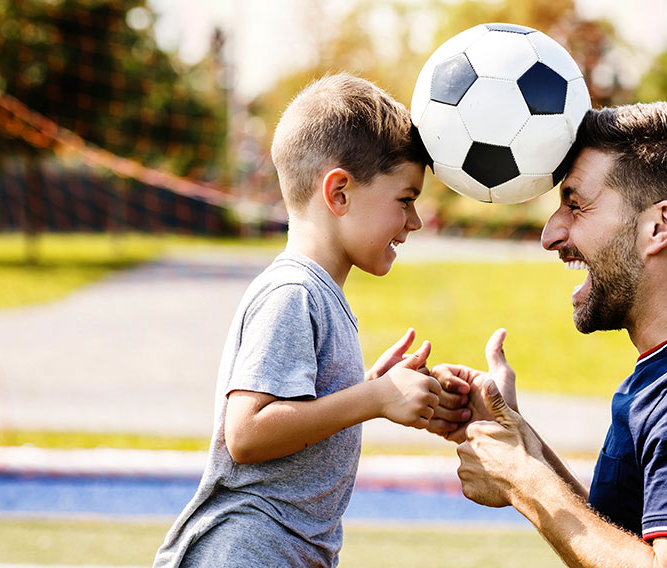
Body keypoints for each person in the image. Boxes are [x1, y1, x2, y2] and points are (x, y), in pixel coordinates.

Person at [439, 102, 667, 568]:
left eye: (576, 204)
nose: (551, 234)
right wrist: (523, 442)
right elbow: (627, 542)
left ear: (659, 226)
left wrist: (522, 482)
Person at [153, 73, 470, 567]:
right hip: (245, 552)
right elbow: (248, 433)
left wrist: (374, 390)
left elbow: (300, 415)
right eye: (405, 201)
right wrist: (373, 398)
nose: (415, 222)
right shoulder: (293, 293)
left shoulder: (319, 294)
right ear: (339, 192)